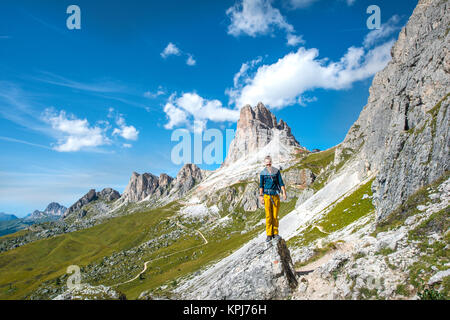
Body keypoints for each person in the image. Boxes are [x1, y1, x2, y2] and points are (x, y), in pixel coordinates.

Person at [259, 155, 287, 242]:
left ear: (271, 162)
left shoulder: (276, 171)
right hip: (267, 196)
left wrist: (284, 193)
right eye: (267, 163)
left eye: (269, 163)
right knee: (268, 216)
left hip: (275, 195)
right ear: (265, 163)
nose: (268, 164)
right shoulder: (262, 173)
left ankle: (275, 233)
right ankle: (269, 234)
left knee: (275, 216)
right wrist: (261, 197)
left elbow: (281, 183)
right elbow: (261, 185)